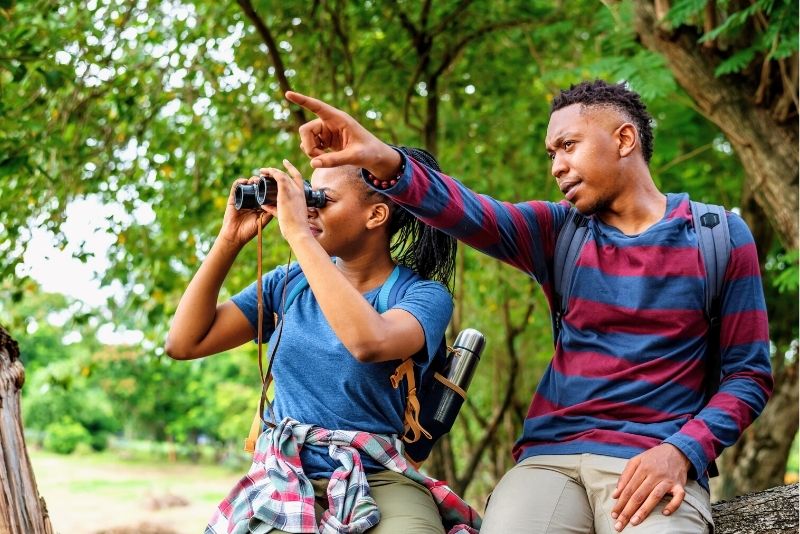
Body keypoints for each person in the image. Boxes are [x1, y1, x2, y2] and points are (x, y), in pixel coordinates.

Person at [284, 80, 773, 533]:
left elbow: (748, 376)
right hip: (550, 460)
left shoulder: (718, 238)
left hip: (653, 460)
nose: (556, 165)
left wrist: (682, 451)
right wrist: (386, 162)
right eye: (551, 153)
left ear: (624, 140)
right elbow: (469, 211)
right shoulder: (558, 232)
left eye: (568, 146)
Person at [165, 150, 481, 533]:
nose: (307, 209)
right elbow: (184, 343)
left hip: (378, 475)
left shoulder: (423, 297)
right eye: (306, 196)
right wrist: (230, 238)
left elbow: (369, 342)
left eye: (321, 200)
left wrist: (298, 232)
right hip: (285, 471)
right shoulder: (289, 285)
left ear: (375, 215)